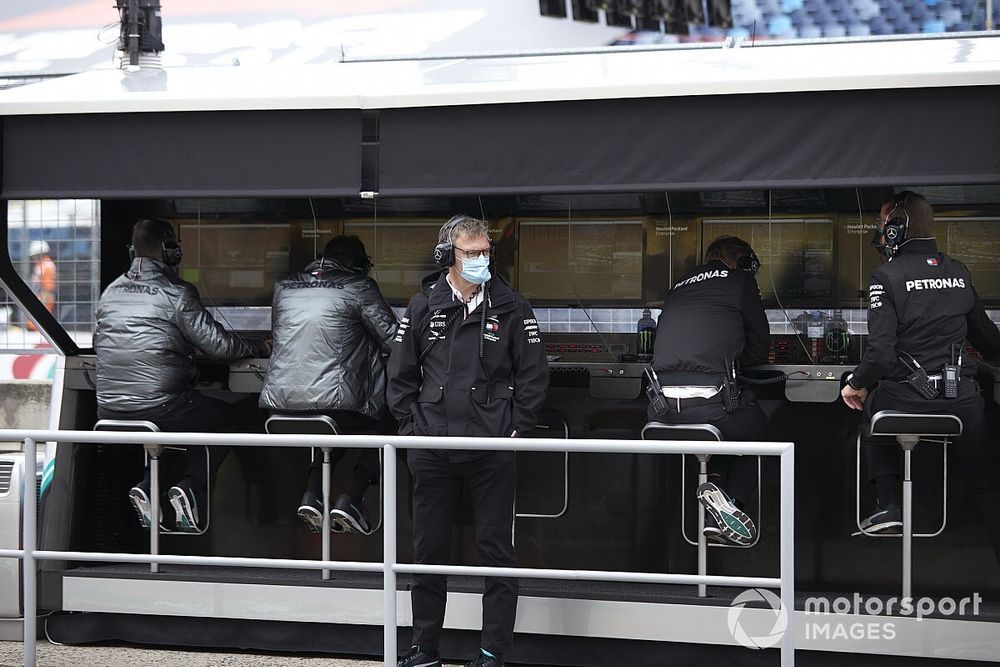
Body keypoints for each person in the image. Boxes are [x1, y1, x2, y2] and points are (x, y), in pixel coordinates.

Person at [388, 215, 549, 667]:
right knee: (427, 554)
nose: (481, 260)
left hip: (492, 450)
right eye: (471, 253)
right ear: (447, 256)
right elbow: (398, 377)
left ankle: (493, 653)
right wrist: (411, 432)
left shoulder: (512, 305)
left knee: (497, 554)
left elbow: (534, 375)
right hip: (433, 448)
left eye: (485, 252)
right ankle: (423, 649)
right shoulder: (423, 304)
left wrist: (516, 428)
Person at [842, 192, 1000, 561]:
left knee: (870, 402)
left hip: (904, 402)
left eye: (883, 223)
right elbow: (989, 341)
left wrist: (855, 383)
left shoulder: (886, 276)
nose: (880, 231)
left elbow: (879, 354)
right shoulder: (959, 271)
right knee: (986, 484)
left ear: (898, 227)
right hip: (961, 404)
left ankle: (889, 504)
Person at [95, 218, 267, 533]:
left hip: (107, 409)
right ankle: (190, 487)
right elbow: (219, 346)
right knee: (226, 418)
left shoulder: (111, 291)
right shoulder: (176, 292)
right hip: (160, 407)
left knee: (165, 428)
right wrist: (258, 346)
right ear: (169, 249)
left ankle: (149, 488)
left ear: (134, 250)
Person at [259, 235, 397, 535]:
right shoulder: (359, 286)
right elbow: (392, 340)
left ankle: (313, 494)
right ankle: (352, 498)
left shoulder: (284, 288)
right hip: (336, 404)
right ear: (354, 263)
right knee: (388, 421)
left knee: (336, 430)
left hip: (280, 407)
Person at [648, 236, 769, 546]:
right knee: (754, 429)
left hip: (662, 412)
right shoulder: (740, 282)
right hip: (711, 406)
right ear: (742, 262)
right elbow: (758, 349)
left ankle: (715, 495)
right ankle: (733, 506)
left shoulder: (678, 286)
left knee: (725, 426)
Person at [26, 240, 56, 330]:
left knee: (39, 325)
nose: (33, 257)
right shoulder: (40, 265)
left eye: (35, 255)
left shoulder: (47, 265)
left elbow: (48, 286)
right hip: (39, 297)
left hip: (44, 298)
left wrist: (42, 300)